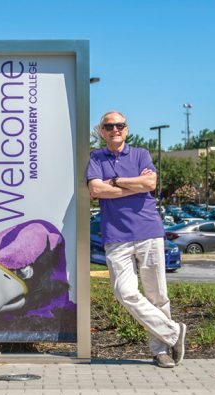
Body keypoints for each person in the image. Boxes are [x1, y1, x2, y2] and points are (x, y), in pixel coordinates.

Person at [86, 111, 186, 368]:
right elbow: (96, 190)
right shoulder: (96, 157)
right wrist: (134, 186)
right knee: (124, 292)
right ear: (102, 131)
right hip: (116, 236)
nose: (114, 129)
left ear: (126, 129)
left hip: (148, 232)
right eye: (109, 126)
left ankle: (161, 351)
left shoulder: (141, 153)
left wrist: (117, 182)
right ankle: (173, 332)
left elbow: (150, 183)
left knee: (158, 295)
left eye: (119, 125)